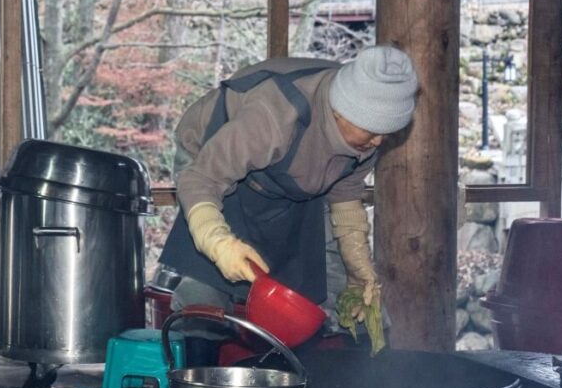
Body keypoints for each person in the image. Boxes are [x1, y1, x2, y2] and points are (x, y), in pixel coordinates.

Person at [158, 45, 419, 347]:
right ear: (339, 112)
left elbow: (345, 193)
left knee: (315, 287)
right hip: (212, 167)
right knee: (207, 288)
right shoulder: (276, 114)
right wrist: (218, 243)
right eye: (372, 131)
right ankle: (198, 373)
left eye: (387, 133)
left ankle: (302, 377)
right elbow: (202, 178)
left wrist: (358, 267)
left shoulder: (368, 137)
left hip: (289, 184)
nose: (379, 141)